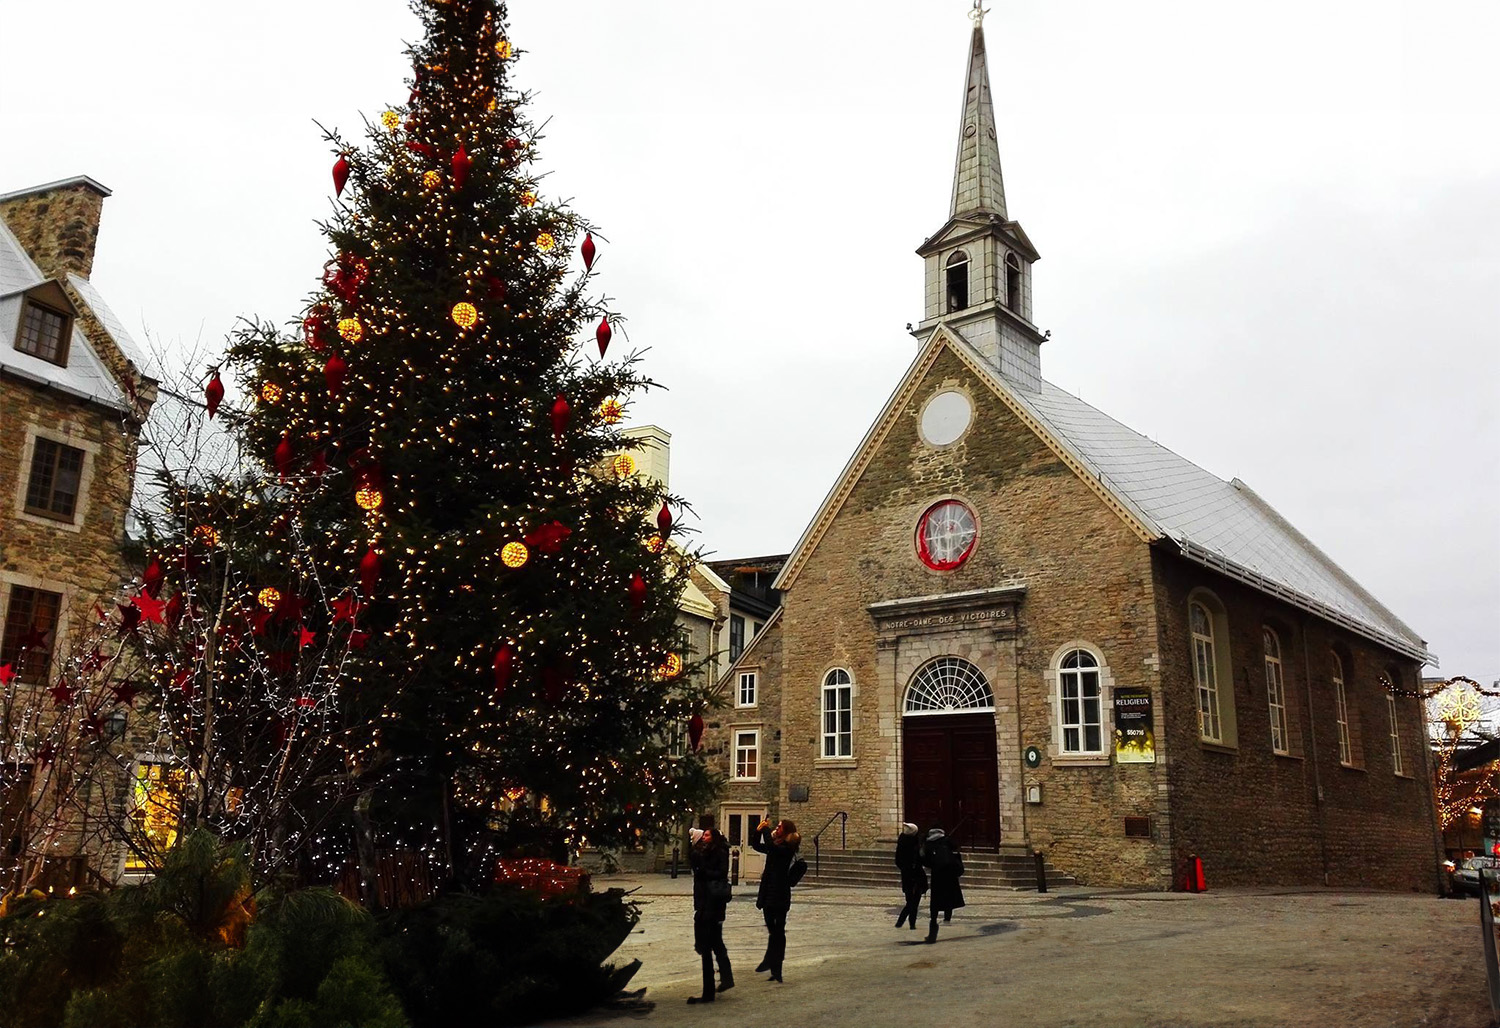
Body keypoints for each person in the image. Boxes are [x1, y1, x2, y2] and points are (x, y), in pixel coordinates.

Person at [687, 818, 733, 1004]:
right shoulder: (703, 853)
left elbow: (720, 873)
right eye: (703, 835)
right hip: (705, 902)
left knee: (708, 946)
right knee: (715, 942)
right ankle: (725, 979)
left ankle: (709, 992)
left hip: (712, 903)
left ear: (713, 838)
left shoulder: (718, 853)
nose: (704, 837)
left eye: (707, 835)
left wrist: (704, 872)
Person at [749, 817, 800, 982]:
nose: (776, 828)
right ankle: (771, 961)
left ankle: (776, 967)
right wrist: (758, 831)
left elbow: (771, 846)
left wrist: (765, 831)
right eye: (776, 826)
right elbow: (757, 846)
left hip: (780, 891)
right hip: (768, 889)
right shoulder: (776, 845)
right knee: (772, 927)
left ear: (785, 831)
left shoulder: (787, 847)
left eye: (779, 827)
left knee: (778, 929)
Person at [921, 825, 965, 943]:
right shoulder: (947, 840)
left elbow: (926, 861)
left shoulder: (929, 843)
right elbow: (956, 849)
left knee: (935, 900)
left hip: (938, 875)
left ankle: (933, 926)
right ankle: (947, 918)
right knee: (949, 895)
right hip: (950, 874)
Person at [894, 822, 927, 930]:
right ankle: (905, 921)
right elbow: (921, 859)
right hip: (915, 875)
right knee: (913, 901)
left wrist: (905, 868)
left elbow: (898, 861)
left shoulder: (902, 843)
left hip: (907, 875)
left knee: (911, 900)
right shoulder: (915, 844)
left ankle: (906, 922)